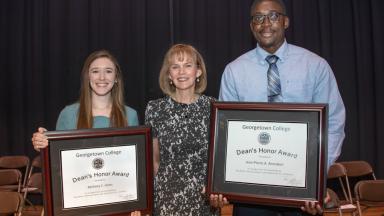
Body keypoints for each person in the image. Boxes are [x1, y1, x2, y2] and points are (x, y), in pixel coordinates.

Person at [214, 0, 346, 215]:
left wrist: (316, 176)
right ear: (251, 26)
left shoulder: (315, 66)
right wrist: (222, 179)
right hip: (250, 193)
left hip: (301, 191)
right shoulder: (234, 71)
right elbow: (226, 132)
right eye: (258, 17)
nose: (266, 23)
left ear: (286, 22)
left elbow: (333, 123)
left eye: (273, 16)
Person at [31, 50, 140, 216]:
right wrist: (44, 144)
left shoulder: (130, 115)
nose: (102, 77)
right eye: (95, 71)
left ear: (116, 78)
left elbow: (133, 168)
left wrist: (136, 203)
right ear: (87, 77)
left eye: (108, 71)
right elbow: (56, 164)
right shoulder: (68, 114)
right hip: (78, 206)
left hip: (117, 206)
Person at [145, 44, 217, 215]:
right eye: (175, 67)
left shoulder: (214, 107)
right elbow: (154, 162)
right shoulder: (154, 109)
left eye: (188, 65)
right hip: (166, 201)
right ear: (169, 74)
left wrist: (214, 187)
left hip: (203, 200)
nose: (181, 72)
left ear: (198, 72)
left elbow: (219, 159)